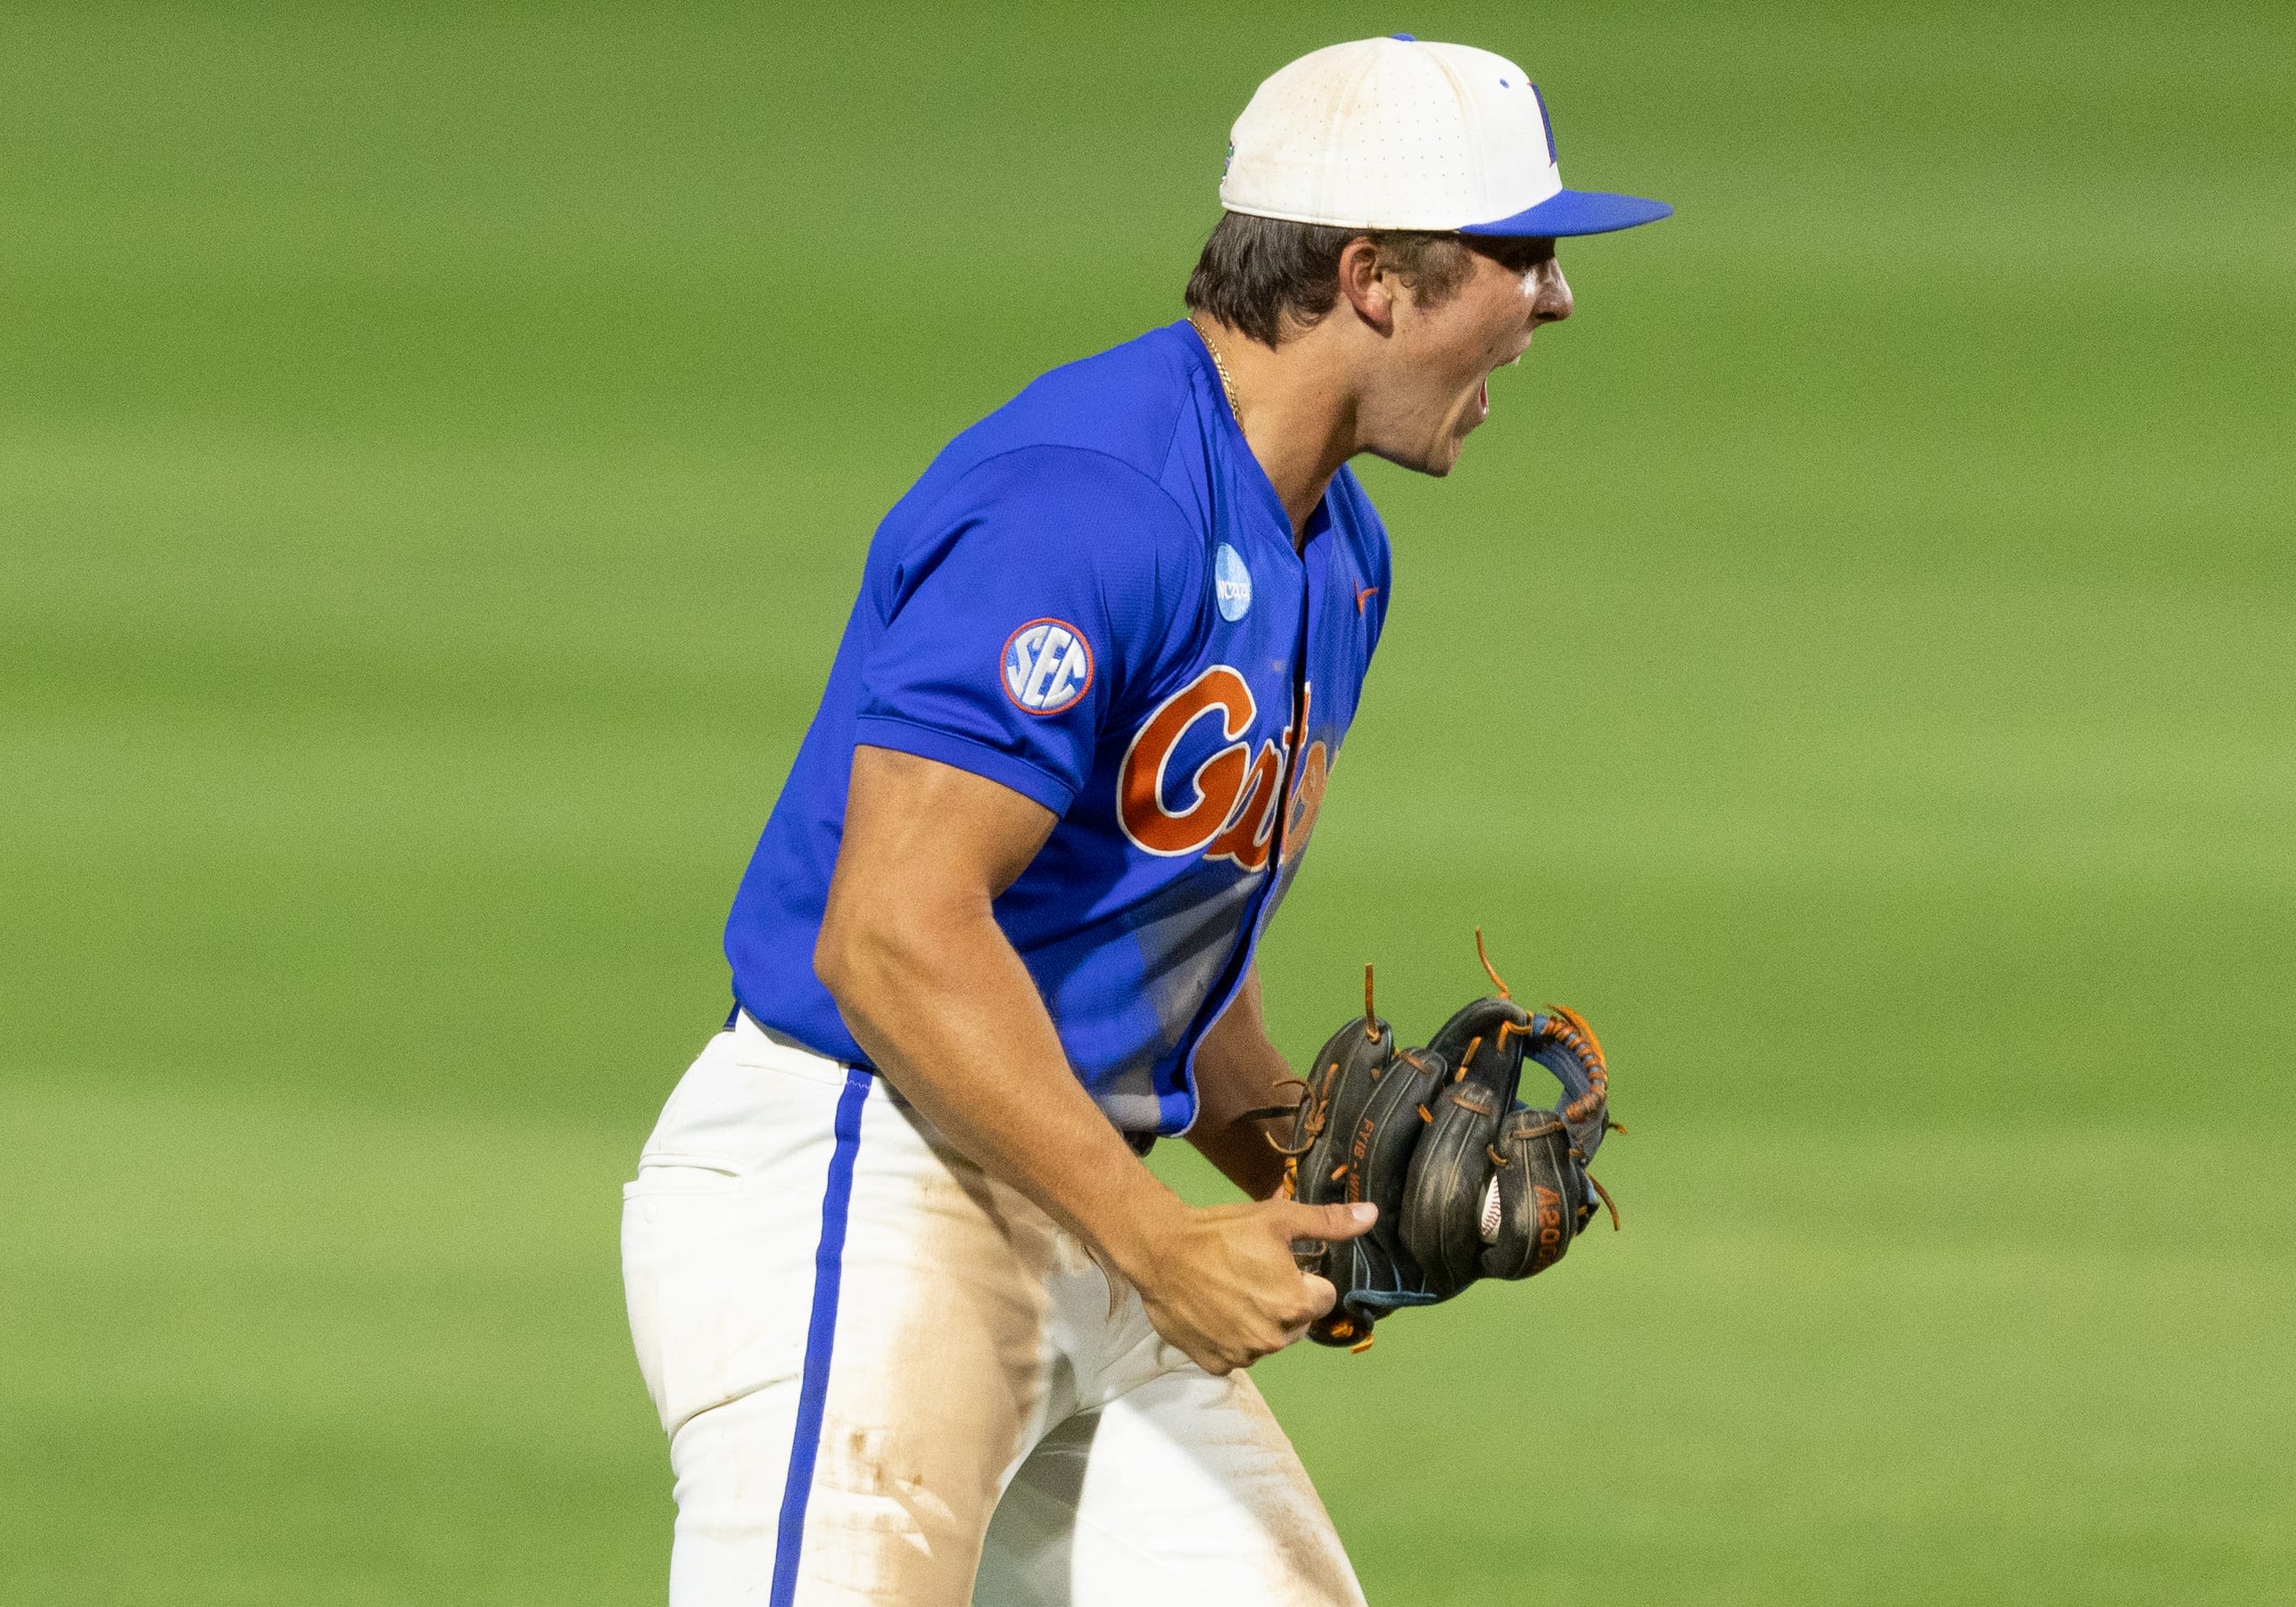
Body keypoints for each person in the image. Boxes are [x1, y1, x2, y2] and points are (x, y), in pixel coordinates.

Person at [620, 35, 1667, 1605]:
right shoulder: (1084, 501)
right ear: (1374, 277)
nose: (1558, 300)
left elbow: (1160, 932)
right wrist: (1155, 1238)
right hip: (862, 1182)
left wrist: (1317, 1186)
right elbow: (892, 928)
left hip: (1068, 1197)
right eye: (1524, 257)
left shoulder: (1340, 554)